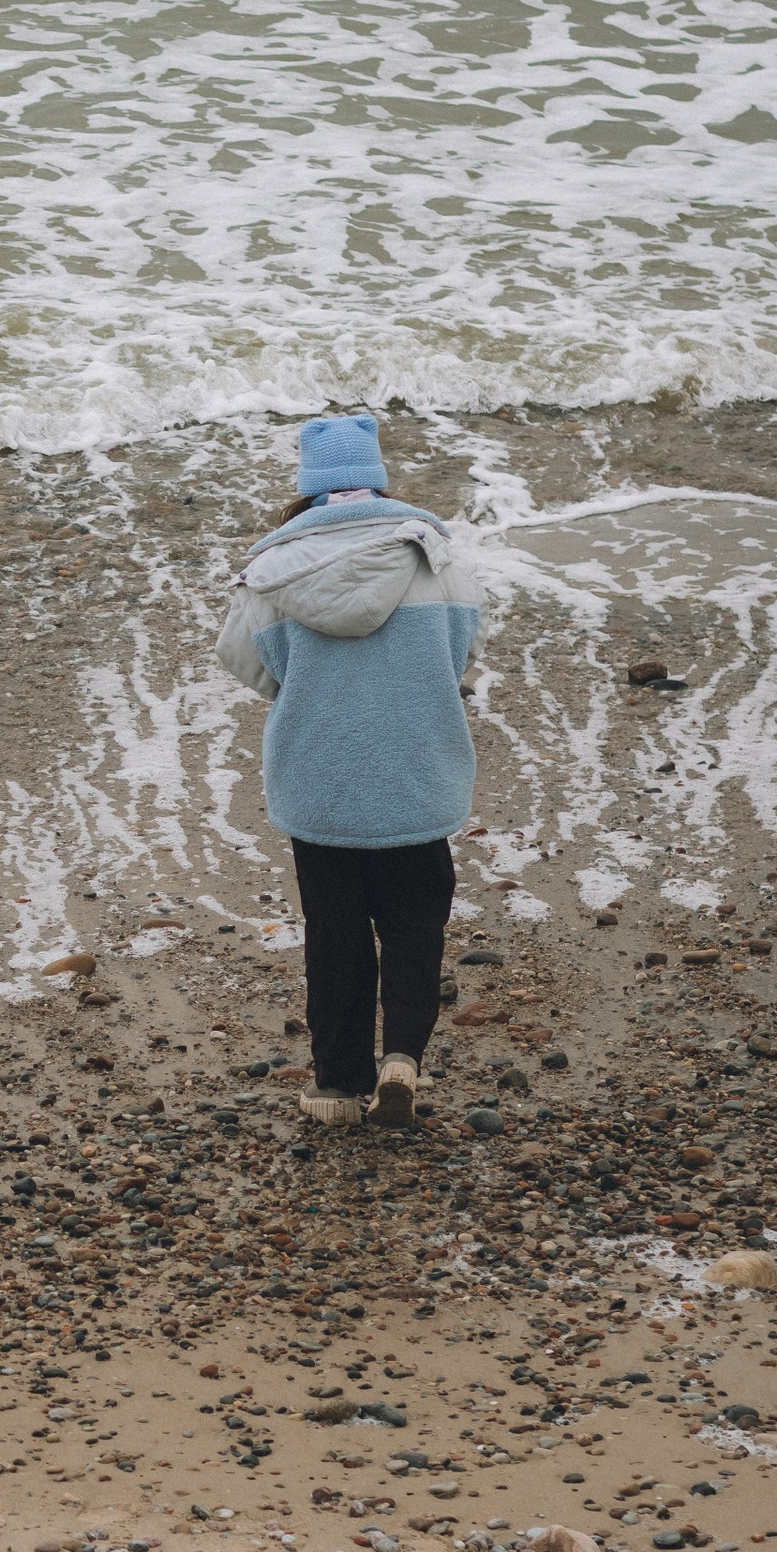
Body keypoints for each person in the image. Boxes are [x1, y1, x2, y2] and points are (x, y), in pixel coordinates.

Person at [218, 411, 481, 1130]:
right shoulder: (438, 559)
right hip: (416, 771)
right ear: (377, 479)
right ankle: (401, 1057)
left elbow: (248, 665)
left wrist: (311, 688)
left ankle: (336, 1086)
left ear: (308, 484)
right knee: (414, 921)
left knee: (333, 930)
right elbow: (459, 657)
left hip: (321, 780)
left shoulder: (271, 573)